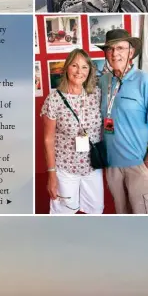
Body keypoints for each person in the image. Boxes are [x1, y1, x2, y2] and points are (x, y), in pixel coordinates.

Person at [97, 30, 148, 215]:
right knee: (122, 213)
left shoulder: (145, 80)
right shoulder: (104, 81)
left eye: (120, 48)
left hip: (138, 163)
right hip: (112, 165)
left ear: (131, 52)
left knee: (146, 214)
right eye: (110, 49)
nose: (114, 53)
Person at [41, 49, 104, 215]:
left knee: (95, 210)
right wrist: (51, 175)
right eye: (75, 66)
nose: (79, 71)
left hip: (93, 167)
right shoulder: (54, 98)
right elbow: (48, 140)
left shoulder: (96, 94)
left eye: (84, 67)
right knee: (64, 212)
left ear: (90, 70)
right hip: (66, 168)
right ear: (67, 67)